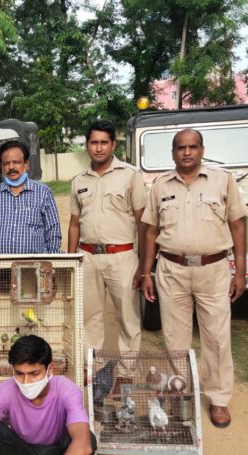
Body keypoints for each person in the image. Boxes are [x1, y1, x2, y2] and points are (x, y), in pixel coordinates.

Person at [139, 128, 247, 429]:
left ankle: (219, 399)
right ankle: (179, 393)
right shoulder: (160, 185)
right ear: (173, 152)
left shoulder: (222, 181)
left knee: (216, 337)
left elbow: (238, 226)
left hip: (213, 270)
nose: (187, 153)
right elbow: (150, 231)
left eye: (192, 147)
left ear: (202, 149)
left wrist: (241, 270)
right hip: (171, 270)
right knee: (175, 339)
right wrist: (146, 271)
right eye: (180, 148)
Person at [68, 120, 146, 353]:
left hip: (122, 257)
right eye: (94, 143)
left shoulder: (131, 175)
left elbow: (143, 223)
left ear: (113, 145)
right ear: (87, 145)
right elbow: (74, 225)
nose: (98, 148)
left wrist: (144, 264)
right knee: (88, 318)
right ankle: (92, 372)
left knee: (128, 319)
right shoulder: (78, 180)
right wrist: (72, 261)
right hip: (87, 258)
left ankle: (126, 375)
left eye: (104, 143)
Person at [0, 140, 61, 255]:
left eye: (16, 162)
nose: (11, 167)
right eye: (6, 163)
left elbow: (53, 230)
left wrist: (52, 260)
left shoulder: (43, 191)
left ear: (26, 164)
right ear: (1, 167)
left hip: (34, 267)